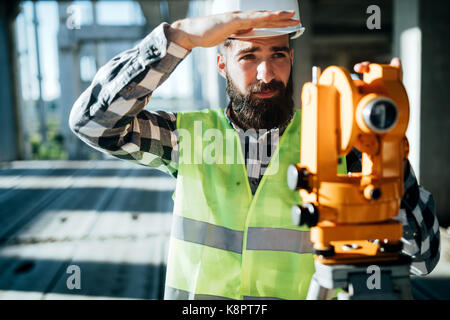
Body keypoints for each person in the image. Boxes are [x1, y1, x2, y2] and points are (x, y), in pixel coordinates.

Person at [69, 9, 440, 300]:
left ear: (292, 58)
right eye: (248, 56)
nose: (267, 73)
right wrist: (178, 38)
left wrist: (381, 151)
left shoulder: (340, 141)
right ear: (221, 65)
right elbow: (91, 122)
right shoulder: (188, 137)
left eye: (278, 54)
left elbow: (424, 256)